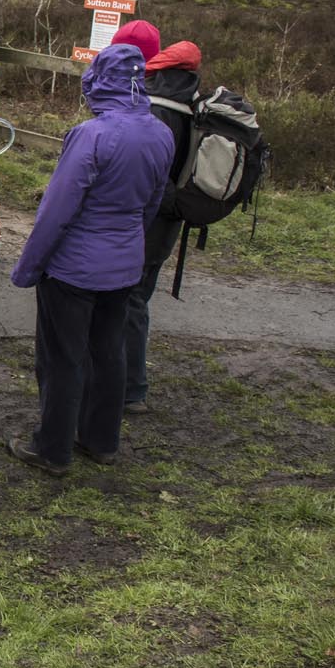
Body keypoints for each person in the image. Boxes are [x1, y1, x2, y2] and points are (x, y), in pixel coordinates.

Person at [7, 43, 172, 476]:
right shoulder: (160, 133)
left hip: (74, 268)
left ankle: (52, 449)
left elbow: (57, 210)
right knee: (109, 351)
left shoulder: (91, 135)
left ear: (98, 81)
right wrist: (128, 243)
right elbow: (152, 203)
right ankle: (101, 441)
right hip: (124, 264)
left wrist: (29, 267)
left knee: (62, 358)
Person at [124, 37, 201, 415]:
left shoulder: (157, 111)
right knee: (139, 296)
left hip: (148, 220)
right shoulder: (192, 105)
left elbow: (149, 174)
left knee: (129, 300)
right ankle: (125, 383)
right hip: (169, 223)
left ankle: (131, 389)